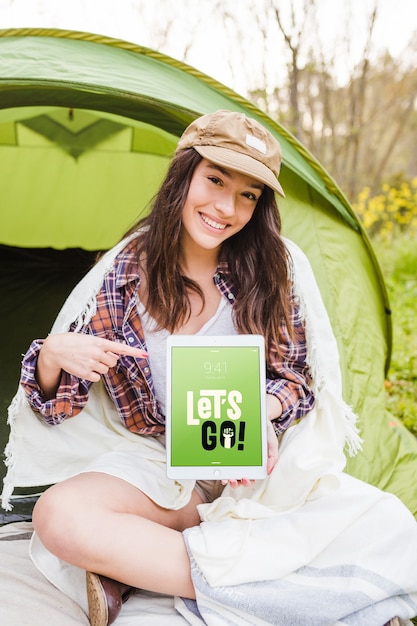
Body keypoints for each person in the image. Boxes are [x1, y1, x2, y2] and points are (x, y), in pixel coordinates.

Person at [18, 110, 315, 625]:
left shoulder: (271, 272)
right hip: (155, 464)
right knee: (57, 515)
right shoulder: (124, 276)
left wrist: (257, 413)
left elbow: (296, 381)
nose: (226, 207)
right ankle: (250, 587)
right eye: (215, 180)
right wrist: (51, 358)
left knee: (376, 525)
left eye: (248, 195)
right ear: (184, 176)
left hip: (246, 469)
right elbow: (59, 410)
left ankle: (138, 564)